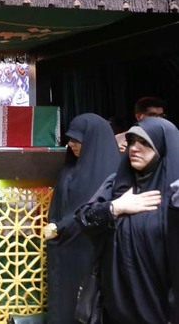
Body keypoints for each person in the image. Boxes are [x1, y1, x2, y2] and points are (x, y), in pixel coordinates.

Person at [77, 117, 177, 324]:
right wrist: (116, 207)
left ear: (163, 147)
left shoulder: (174, 193)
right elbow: (84, 218)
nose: (134, 148)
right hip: (115, 307)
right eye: (131, 142)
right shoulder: (118, 184)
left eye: (145, 143)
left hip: (161, 309)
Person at [42, 113, 121, 324]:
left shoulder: (114, 174)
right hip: (65, 250)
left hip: (94, 251)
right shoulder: (70, 169)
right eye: (70, 139)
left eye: (77, 140)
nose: (71, 144)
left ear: (93, 140)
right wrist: (57, 228)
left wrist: (61, 227)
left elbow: (97, 211)